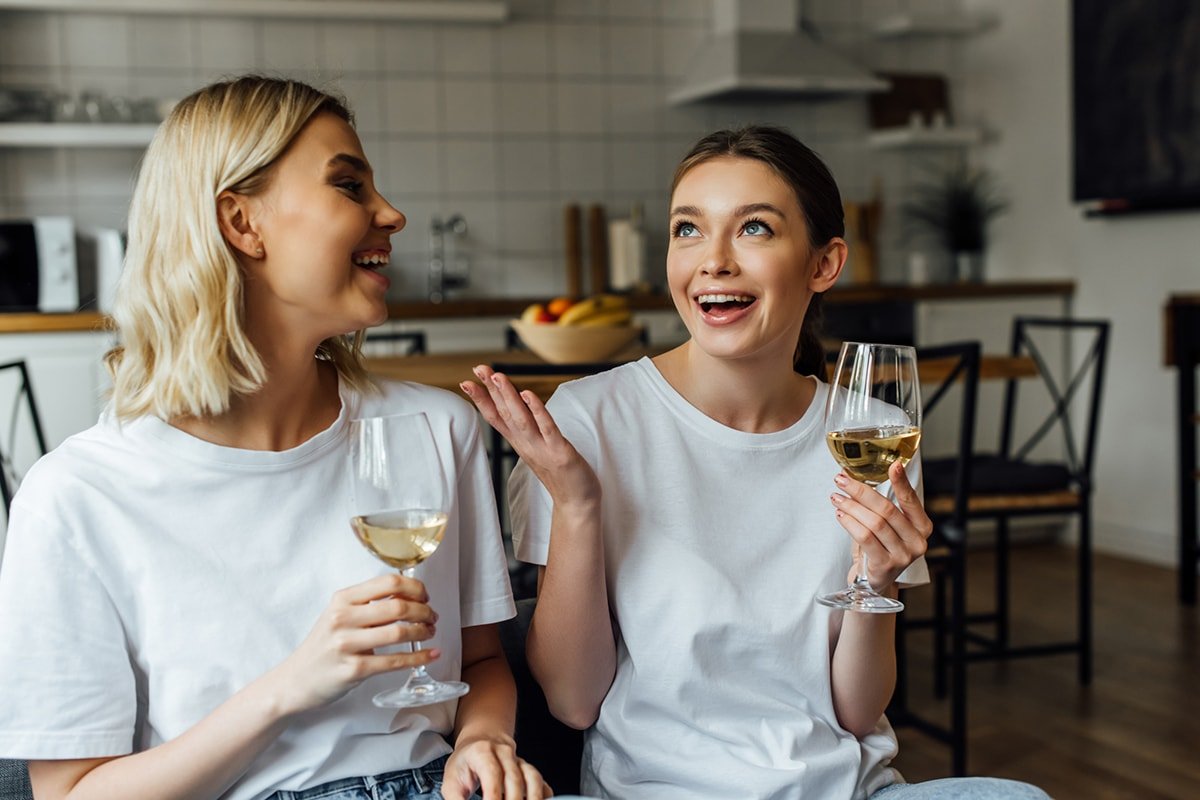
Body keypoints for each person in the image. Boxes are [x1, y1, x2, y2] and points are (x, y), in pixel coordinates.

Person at [0, 76, 549, 800]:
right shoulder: (78, 494)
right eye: (349, 185)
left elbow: (480, 664)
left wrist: (484, 740)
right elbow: (69, 795)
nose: (392, 213)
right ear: (241, 223)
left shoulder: (435, 429)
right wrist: (291, 684)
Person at [462, 126, 1049, 800]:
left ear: (824, 264)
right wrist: (578, 505)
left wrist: (878, 581)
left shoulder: (876, 438)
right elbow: (572, 702)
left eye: (755, 230)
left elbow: (856, 714)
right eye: (688, 230)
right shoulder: (588, 421)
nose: (712, 261)